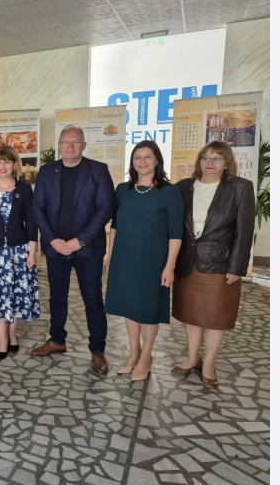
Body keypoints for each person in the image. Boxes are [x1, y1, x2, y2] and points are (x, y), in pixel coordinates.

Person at [171, 141, 255, 388]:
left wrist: (237, 266)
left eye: (217, 158)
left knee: (217, 316)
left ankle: (209, 363)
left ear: (226, 163)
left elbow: (244, 230)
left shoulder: (240, 187)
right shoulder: (183, 187)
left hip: (220, 263)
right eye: (205, 158)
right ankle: (192, 358)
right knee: (191, 313)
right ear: (199, 161)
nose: (210, 162)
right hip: (188, 262)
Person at [31, 125, 114, 373]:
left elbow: (105, 208)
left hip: (87, 249)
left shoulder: (98, 170)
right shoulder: (47, 172)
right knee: (57, 297)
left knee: (93, 299)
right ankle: (57, 340)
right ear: (58, 146)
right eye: (65, 142)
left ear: (83, 145)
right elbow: (38, 208)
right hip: (56, 248)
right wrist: (52, 240)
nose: (70, 146)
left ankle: (97, 350)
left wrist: (80, 241)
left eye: (75, 142)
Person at [104, 141, 183, 381]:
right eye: (137, 157)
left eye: (148, 157)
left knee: (148, 309)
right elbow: (115, 227)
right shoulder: (122, 190)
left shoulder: (169, 192)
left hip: (153, 261)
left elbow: (176, 233)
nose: (142, 162)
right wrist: (110, 257)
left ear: (157, 160)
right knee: (130, 306)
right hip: (124, 258)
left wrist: (169, 266)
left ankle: (146, 356)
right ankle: (133, 353)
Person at [0, 146, 40, 360]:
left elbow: (31, 224)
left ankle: (12, 334)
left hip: (18, 253)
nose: (2, 166)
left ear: (14, 165)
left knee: (16, 295)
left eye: (7, 161)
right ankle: (2, 339)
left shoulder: (25, 190)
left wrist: (32, 253)